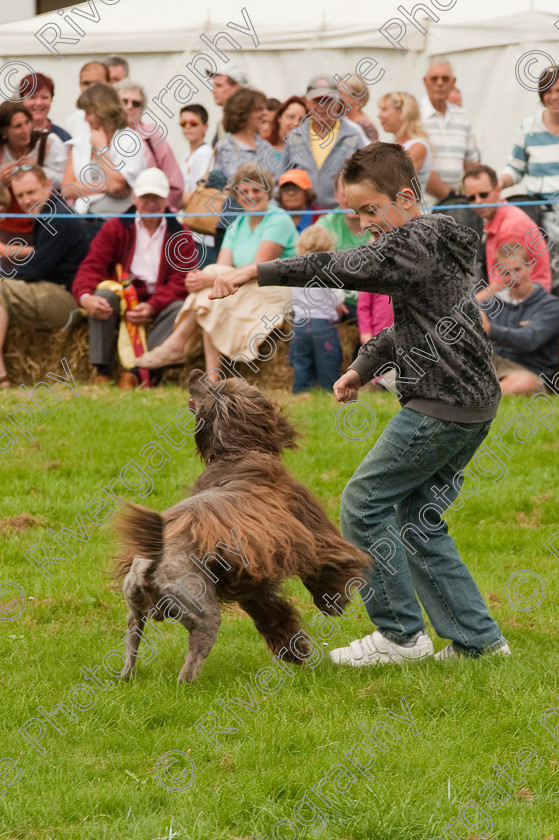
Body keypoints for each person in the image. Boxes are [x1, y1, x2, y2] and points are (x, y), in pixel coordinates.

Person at [209, 141, 510, 664]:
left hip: (440, 405)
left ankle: (399, 636)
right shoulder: (437, 244)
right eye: (355, 212)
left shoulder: (416, 240)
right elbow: (414, 325)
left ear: (407, 196)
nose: (364, 221)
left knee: (363, 503)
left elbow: (341, 265)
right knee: (419, 518)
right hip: (472, 404)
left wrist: (254, 272)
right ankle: (479, 643)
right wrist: (362, 366)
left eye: (371, 210)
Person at [136, 163, 296, 377]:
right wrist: (205, 280)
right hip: (245, 287)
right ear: (237, 197)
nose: (251, 196)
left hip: (273, 290)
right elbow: (223, 268)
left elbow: (258, 269)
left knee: (211, 287)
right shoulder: (237, 224)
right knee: (212, 295)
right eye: (244, 192)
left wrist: (208, 279)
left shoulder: (278, 220)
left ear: (268, 192)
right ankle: (211, 378)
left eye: (256, 190)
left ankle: (178, 346)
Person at [72, 168, 195, 389]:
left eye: (156, 197)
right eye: (145, 197)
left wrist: (151, 306)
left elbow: (180, 281)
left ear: (167, 199)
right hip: (121, 298)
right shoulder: (115, 228)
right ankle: (102, 371)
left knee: (180, 308)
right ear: (134, 198)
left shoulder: (181, 234)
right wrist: (86, 298)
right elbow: (91, 266)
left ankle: (136, 372)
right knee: (102, 296)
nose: (150, 203)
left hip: (158, 300)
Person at [0, 165, 89, 389]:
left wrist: (3, 274)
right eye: (20, 195)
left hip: (69, 299)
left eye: (31, 192)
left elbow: (35, 270)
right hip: (53, 291)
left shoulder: (57, 217)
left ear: (48, 185)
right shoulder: (49, 213)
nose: (25, 200)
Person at [498, 66, 559, 293]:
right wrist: (501, 182)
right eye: (547, 91)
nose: (553, 97)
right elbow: (515, 166)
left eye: (558, 90)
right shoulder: (529, 127)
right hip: (540, 215)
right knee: (547, 274)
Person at [63, 83, 145, 239]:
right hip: (83, 224)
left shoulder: (130, 140)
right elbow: (67, 189)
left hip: (119, 228)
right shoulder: (81, 142)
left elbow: (116, 185)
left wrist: (101, 149)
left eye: (89, 112)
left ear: (103, 110)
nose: (85, 118)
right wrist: (106, 185)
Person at [477, 243, 559, 394]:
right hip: (492, 363)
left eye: (517, 270)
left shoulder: (551, 306)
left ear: (530, 267)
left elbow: (529, 340)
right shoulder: (493, 303)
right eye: (506, 273)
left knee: (525, 383)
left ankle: (480, 397)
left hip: (526, 370)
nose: (513, 278)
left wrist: (490, 329)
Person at [284, 73, 368, 209]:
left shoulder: (353, 135)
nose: (322, 107)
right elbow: (282, 175)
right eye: (317, 101)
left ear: (338, 102)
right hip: (305, 214)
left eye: (328, 100)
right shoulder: (295, 137)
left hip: (341, 215)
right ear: (307, 102)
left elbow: (365, 178)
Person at [463, 164, 551, 291]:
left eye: (483, 194)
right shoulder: (495, 221)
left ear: (498, 189)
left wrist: (474, 302)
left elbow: (506, 283)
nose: (478, 201)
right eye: (471, 197)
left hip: (529, 302)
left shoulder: (510, 227)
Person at [0, 101, 67, 253]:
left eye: (27, 122)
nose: (25, 130)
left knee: (40, 260)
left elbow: (68, 181)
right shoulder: (1, 151)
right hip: (7, 228)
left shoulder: (47, 142)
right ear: (4, 131)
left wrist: (39, 171)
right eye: (18, 126)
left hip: (44, 223)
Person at [288, 225, 344, 393]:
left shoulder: (294, 270)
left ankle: (301, 392)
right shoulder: (329, 270)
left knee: (301, 363)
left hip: (300, 325)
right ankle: (331, 391)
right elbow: (338, 297)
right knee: (329, 361)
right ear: (328, 247)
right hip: (323, 325)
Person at [116, 79, 183, 212]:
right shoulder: (104, 134)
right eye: (124, 101)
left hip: (148, 214)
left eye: (136, 103)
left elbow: (175, 183)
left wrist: (163, 213)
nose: (129, 106)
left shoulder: (152, 137)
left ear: (142, 108)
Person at [420, 57, 479, 202]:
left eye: (445, 79)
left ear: (453, 82)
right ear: (425, 82)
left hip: (455, 205)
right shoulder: (415, 115)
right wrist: (451, 197)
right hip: (424, 206)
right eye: (434, 78)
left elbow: (471, 164)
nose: (440, 83)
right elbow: (415, 167)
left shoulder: (462, 116)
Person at [315, 170, 369, 318]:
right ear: (336, 195)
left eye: (354, 193)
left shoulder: (382, 223)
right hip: (341, 307)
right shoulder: (324, 226)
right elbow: (310, 265)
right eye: (344, 194)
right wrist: (330, 297)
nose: (349, 201)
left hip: (377, 304)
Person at [378, 91, 432, 195]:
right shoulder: (389, 144)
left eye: (384, 110)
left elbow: (395, 179)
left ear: (402, 112)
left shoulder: (418, 146)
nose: (379, 115)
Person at [214, 88, 273, 182]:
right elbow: (235, 184)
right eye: (260, 109)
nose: (265, 113)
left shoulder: (266, 146)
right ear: (245, 113)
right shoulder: (225, 147)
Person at [18, 72, 71, 143]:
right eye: (32, 97)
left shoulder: (64, 137)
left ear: (51, 99)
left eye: (44, 97)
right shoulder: (11, 136)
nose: (39, 103)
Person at [205, 63, 248, 147]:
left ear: (237, 87)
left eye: (219, 86)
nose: (213, 91)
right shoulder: (222, 122)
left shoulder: (250, 119)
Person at [66, 61, 111, 138]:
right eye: (86, 83)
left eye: (97, 83)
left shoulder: (118, 119)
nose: (91, 88)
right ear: (80, 85)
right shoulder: (74, 120)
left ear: (109, 84)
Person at [337, 73, 378, 142]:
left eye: (343, 94)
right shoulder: (338, 117)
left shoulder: (365, 126)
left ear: (358, 98)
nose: (338, 98)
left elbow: (374, 151)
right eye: (337, 92)